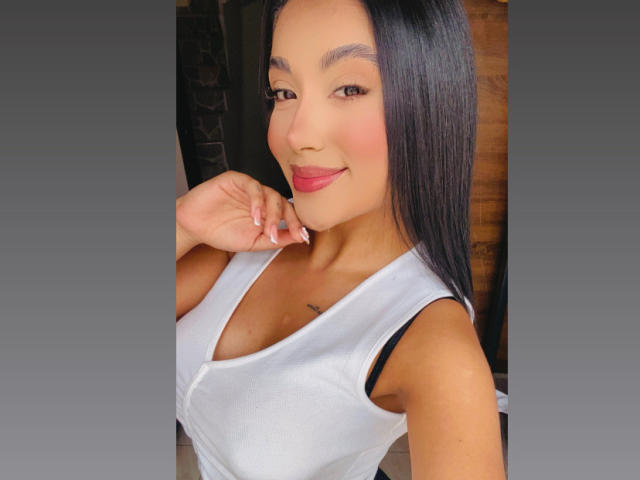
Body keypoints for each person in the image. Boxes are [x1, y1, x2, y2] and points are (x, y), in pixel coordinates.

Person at [176, 0, 507, 478]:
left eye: (350, 88)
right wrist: (182, 225)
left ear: (431, 101)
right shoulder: (244, 241)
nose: (298, 134)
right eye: (284, 91)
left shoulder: (436, 346)